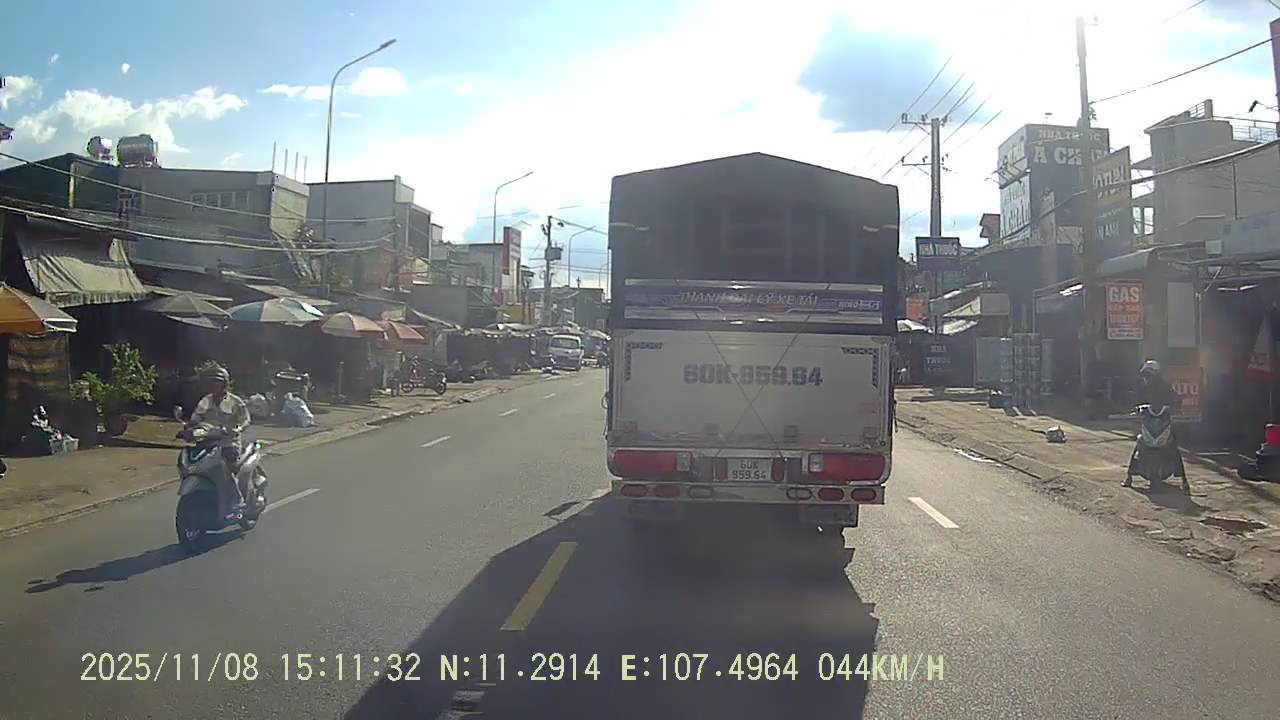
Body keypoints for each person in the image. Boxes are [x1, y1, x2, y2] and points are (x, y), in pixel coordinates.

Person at [188, 365, 251, 518]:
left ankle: (237, 501)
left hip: (229, 443)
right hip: (208, 442)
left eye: (217, 382)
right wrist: (188, 426)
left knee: (226, 468)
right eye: (211, 382)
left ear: (224, 384)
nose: (213, 386)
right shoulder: (206, 400)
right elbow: (196, 417)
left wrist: (238, 429)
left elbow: (245, 420)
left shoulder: (235, 401)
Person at [1126, 359, 1188, 489]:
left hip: (1163, 421)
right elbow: (1136, 400)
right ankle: (1129, 476)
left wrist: (1176, 406)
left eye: (1148, 375)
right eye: (1145, 375)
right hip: (1149, 421)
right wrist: (1136, 408)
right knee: (1140, 443)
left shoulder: (1165, 387)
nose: (1146, 378)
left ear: (1155, 374)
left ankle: (1183, 479)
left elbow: (1174, 398)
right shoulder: (1143, 387)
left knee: (1173, 445)